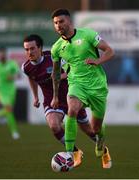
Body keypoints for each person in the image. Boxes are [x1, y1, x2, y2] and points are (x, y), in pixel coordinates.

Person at [50, 9, 114, 169]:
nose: (58, 25)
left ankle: (100, 143)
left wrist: (98, 61)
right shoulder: (56, 48)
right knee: (72, 110)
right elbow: (56, 74)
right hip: (76, 85)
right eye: (56, 23)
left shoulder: (88, 34)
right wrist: (56, 96)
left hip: (97, 87)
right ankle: (69, 153)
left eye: (61, 22)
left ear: (69, 22)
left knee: (96, 128)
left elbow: (110, 51)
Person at [22, 34, 98, 167]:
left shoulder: (53, 57)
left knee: (87, 130)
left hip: (72, 97)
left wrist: (59, 76)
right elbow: (31, 77)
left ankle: (100, 144)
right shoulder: (26, 67)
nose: (29, 52)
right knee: (54, 125)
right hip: (52, 101)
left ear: (40, 48)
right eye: (27, 49)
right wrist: (35, 97)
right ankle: (75, 152)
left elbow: (74, 68)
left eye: (32, 48)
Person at [0, 46, 20, 140]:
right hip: (1, 91)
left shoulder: (12, 64)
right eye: (0, 54)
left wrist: (13, 77)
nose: (1, 55)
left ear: (5, 54)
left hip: (11, 91)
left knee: (9, 111)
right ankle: (14, 132)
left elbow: (19, 75)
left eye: (3, 53)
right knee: (9, 109)